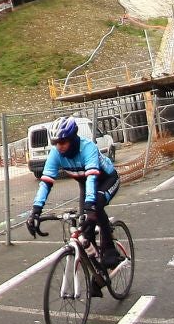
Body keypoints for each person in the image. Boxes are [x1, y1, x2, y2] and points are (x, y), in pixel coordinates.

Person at [26, 118, 121, 292]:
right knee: (85, 235)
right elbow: (45, 182)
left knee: (96, 206)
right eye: (55, 142)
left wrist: (91, 208)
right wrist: (35, 211)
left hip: (106, 179)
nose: (59, 146)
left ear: (73, 138)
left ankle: (110, 251)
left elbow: (92, 177)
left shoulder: (87, 148)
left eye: (62, 141)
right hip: (86, 185)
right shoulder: (56, 154)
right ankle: (99, 274)